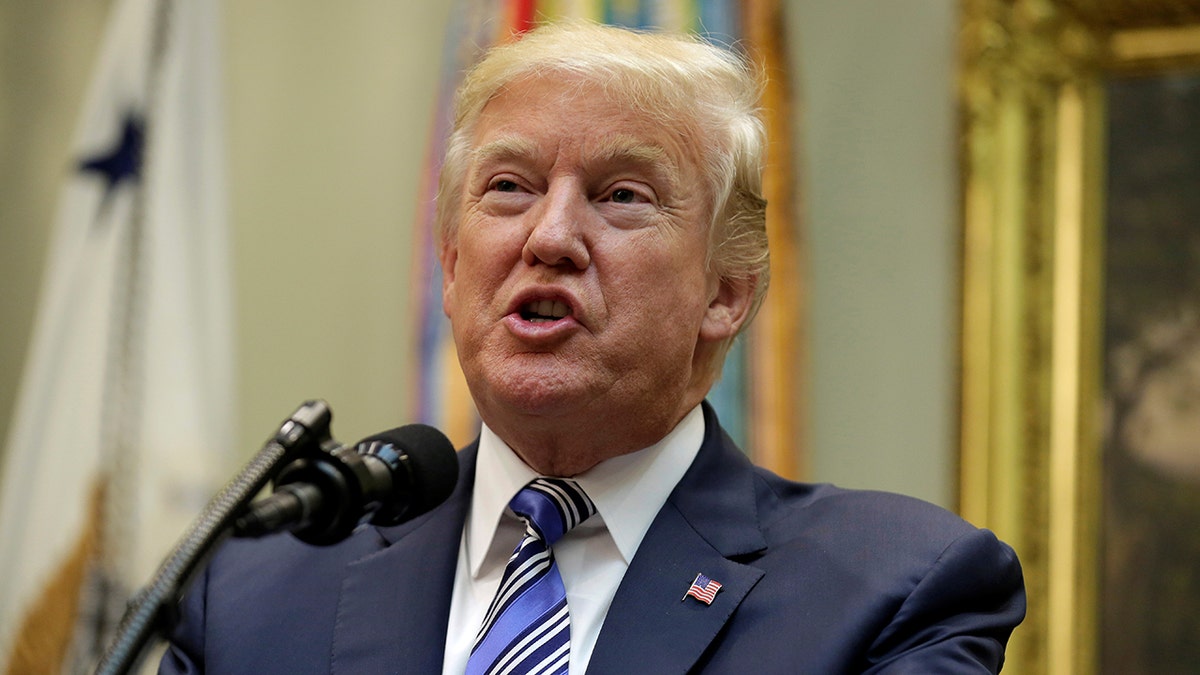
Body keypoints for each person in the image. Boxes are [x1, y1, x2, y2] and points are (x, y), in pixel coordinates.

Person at [160, 21, 1024, 674]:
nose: (552, 235)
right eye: (509, 188)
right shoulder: (245, 596)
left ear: (726, 292)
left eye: (621, 195)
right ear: (453, 263)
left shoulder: (895, 591)